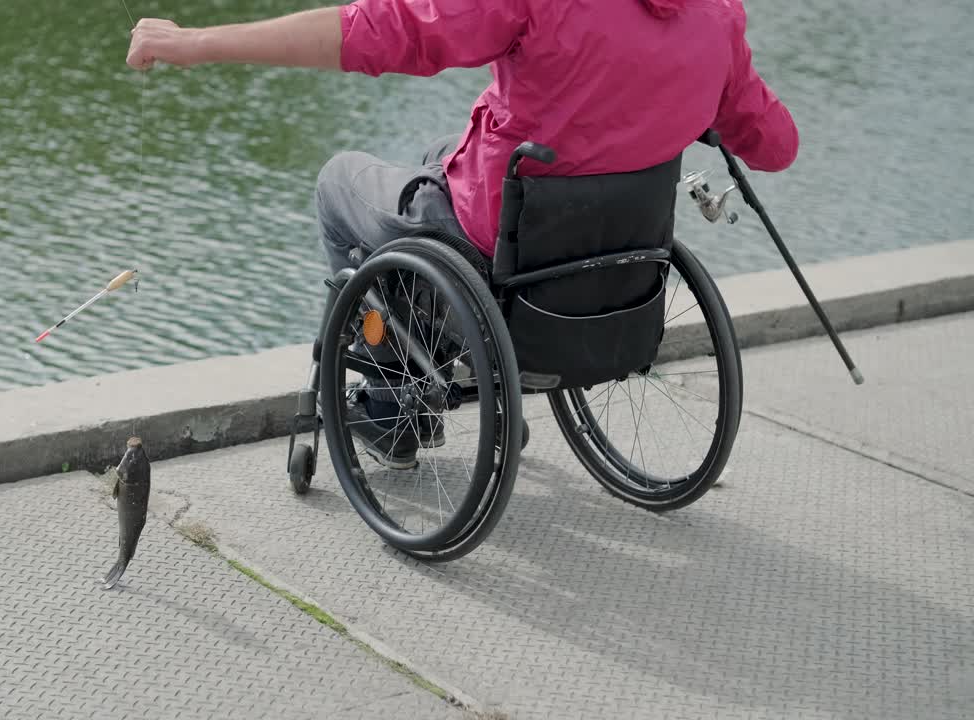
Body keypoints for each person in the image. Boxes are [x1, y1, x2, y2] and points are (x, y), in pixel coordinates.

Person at [125, 0, 799, 469]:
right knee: (438, 153)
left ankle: (393, 407)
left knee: (339, 183)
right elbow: (775, 146)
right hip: (612, 252)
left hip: (505, 236)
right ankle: (444, 348)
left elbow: (377, 32)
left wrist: (198, 43)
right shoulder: (717, 15)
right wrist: (679, 94)